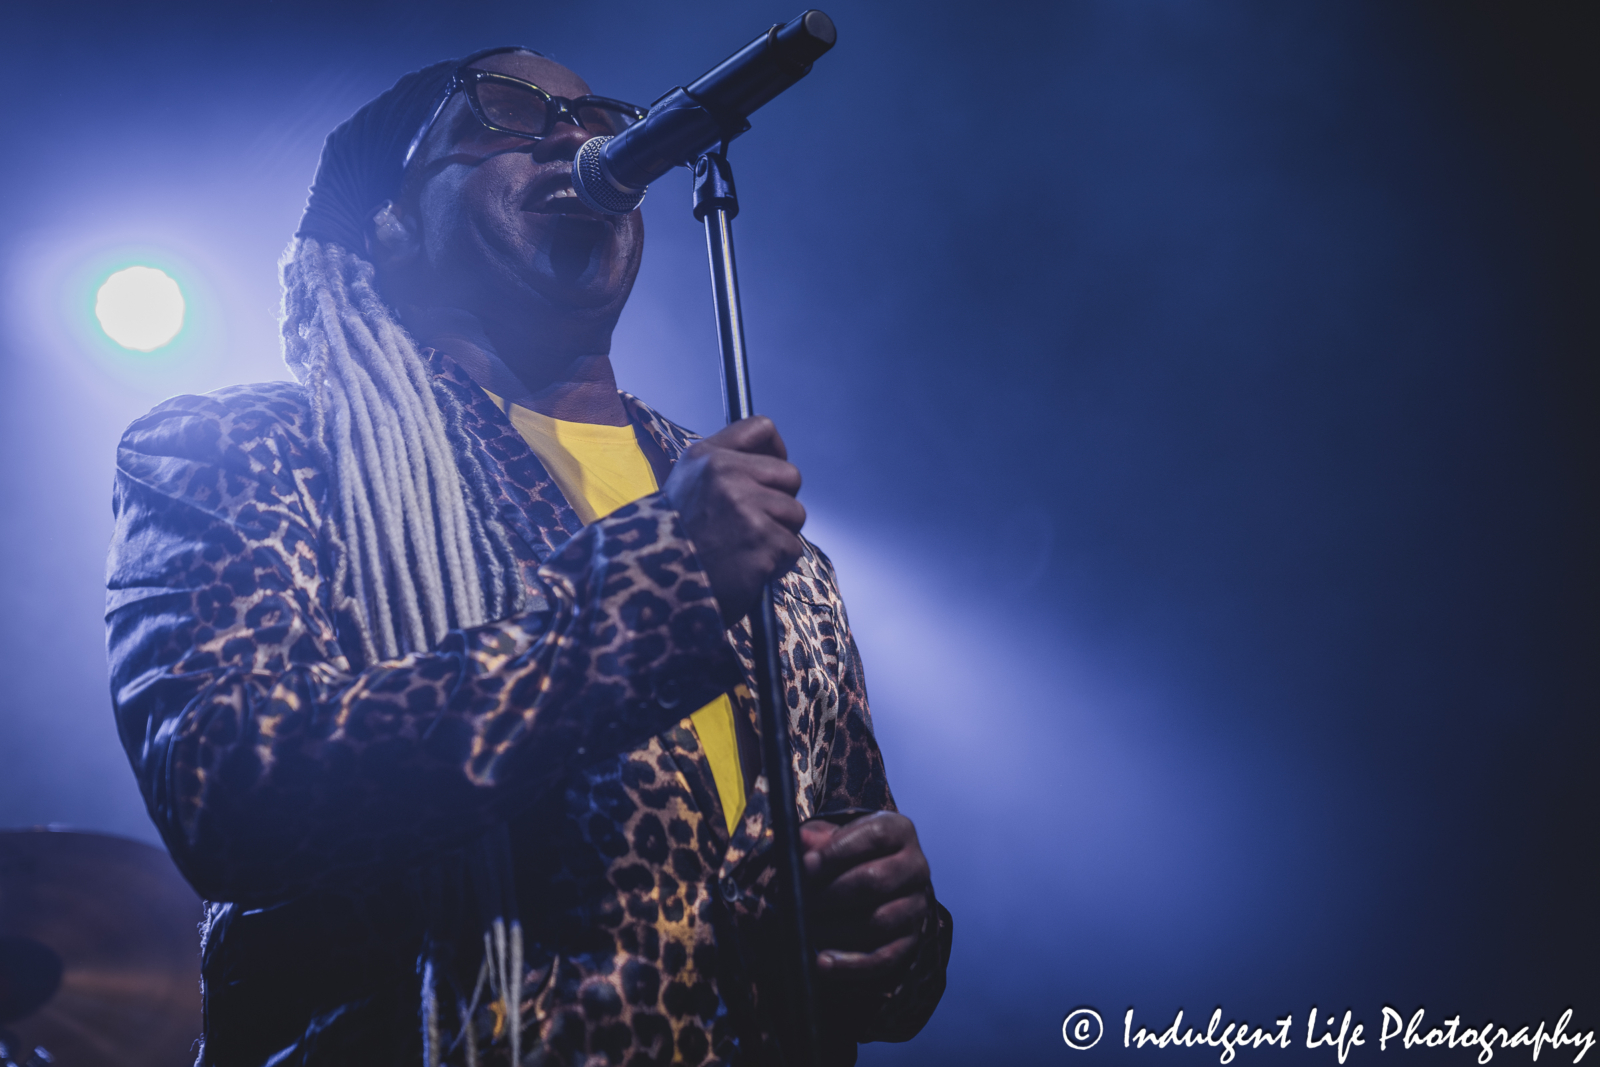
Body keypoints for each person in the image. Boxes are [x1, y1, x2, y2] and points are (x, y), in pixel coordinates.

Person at [105, 45, 950, 1067]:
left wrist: (886, 928)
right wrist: (661, 579)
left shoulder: (758, 523)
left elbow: (863, 930)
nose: (571, 133)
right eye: (503, 114)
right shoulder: (251, 450)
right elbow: (236, 790)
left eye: (593, 114)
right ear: (391, 221)